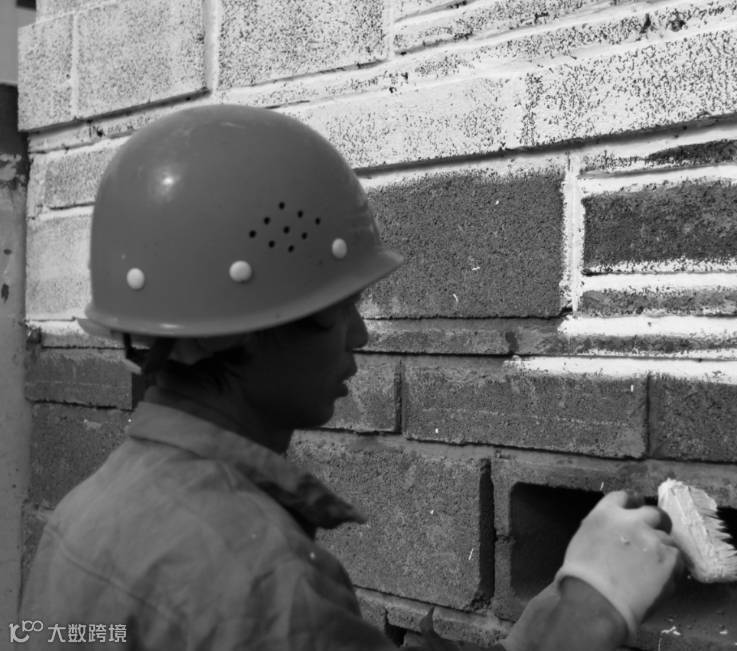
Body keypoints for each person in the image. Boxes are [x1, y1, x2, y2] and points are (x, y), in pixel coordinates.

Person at [19, 105, 683, 650]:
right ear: (241, 331)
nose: (359, 335)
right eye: (337, 310)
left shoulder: (87, 515)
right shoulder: (262, 587)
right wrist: (589, 609)